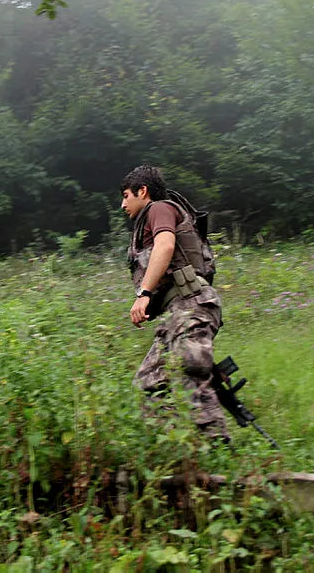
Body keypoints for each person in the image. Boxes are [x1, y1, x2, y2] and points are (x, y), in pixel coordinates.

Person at [120, 165, 231, 442]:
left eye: (126, 196)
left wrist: (144, 293)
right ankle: (176, 450)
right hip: (179, 310)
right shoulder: (152, 215)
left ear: (142, 191)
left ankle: (219, 458)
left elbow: (166, 246)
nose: (123, 204)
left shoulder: (158, 209)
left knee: (189, 376)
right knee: (148, 384)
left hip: (192, 305)